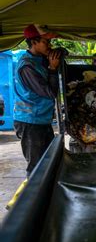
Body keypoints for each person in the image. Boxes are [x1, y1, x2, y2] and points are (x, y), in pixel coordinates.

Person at [13, 24, 62, 176]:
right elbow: (49, 93)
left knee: (48, 160)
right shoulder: (27, 66)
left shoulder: (39, 58)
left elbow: (61, 52)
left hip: (41, 119)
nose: (49, 45)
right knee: (36, 167)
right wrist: (53, 69)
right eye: (45, 42)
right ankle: (32, 197)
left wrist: (58, 53)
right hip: (30, 121)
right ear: (33, 42)